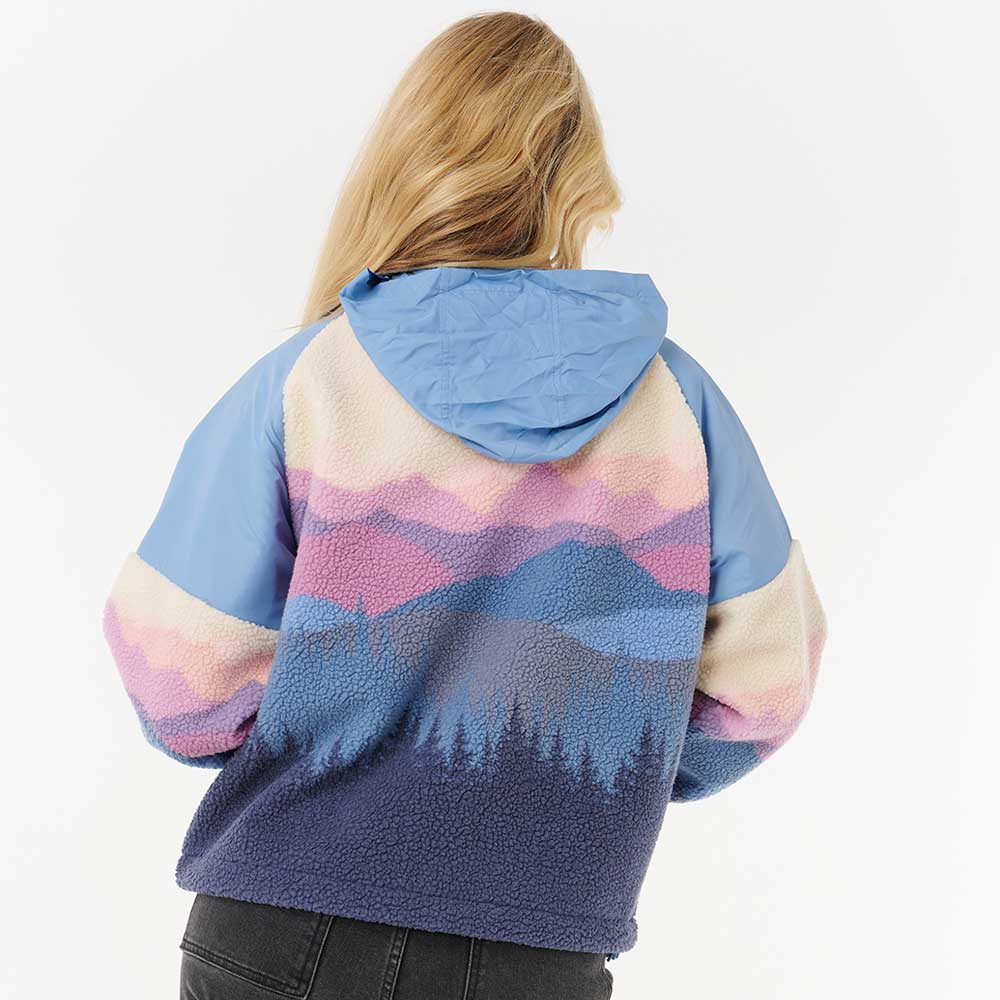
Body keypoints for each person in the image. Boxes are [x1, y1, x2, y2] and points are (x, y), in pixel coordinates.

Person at [103, 12, 826, 1000]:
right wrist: (607, 753)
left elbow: (179, 683)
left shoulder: (309, 382)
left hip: (279, 928)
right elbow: (765, 686)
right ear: (575, 181)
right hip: (540, 946)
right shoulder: (680, 406)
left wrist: (334, 723)